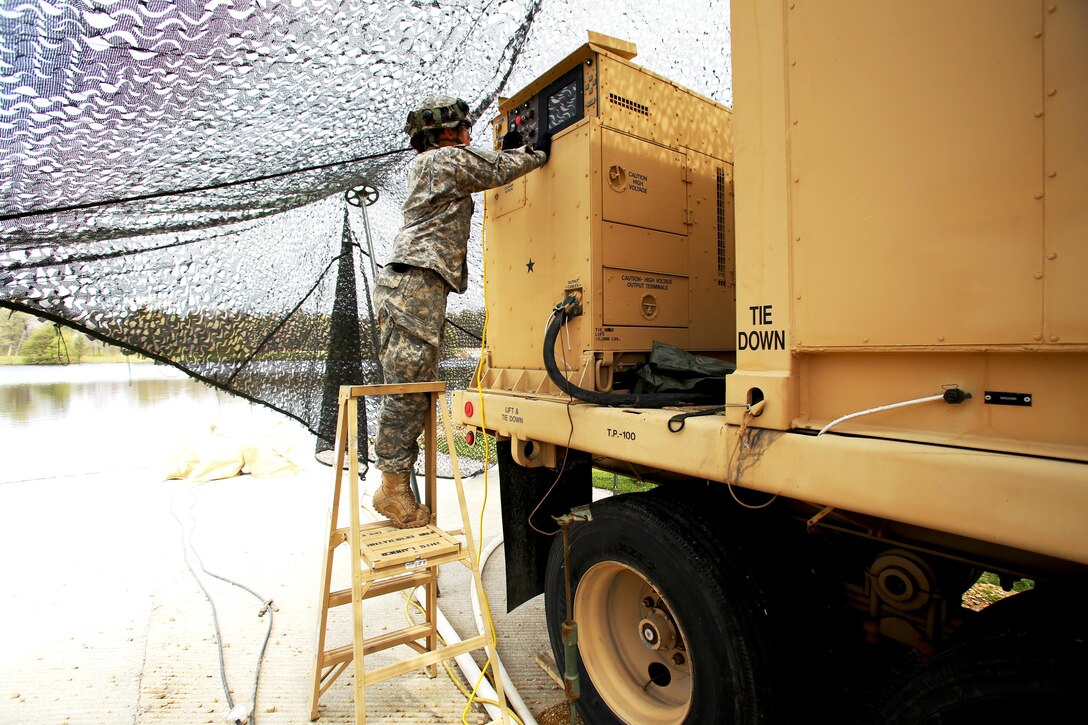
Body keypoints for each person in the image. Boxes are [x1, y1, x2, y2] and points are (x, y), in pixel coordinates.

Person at [372, 94, 549, 528]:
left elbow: (487, 165)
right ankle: (392, 488)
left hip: (417, 283)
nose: (470, 135)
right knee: (409, 385)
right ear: (447, 134)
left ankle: (395, 482)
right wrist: (536, 152)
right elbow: (496, 169)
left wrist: (509, 152)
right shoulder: (441, 162)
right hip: (414, 282)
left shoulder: (440, 165)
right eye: (464, 129)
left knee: (414, 383)